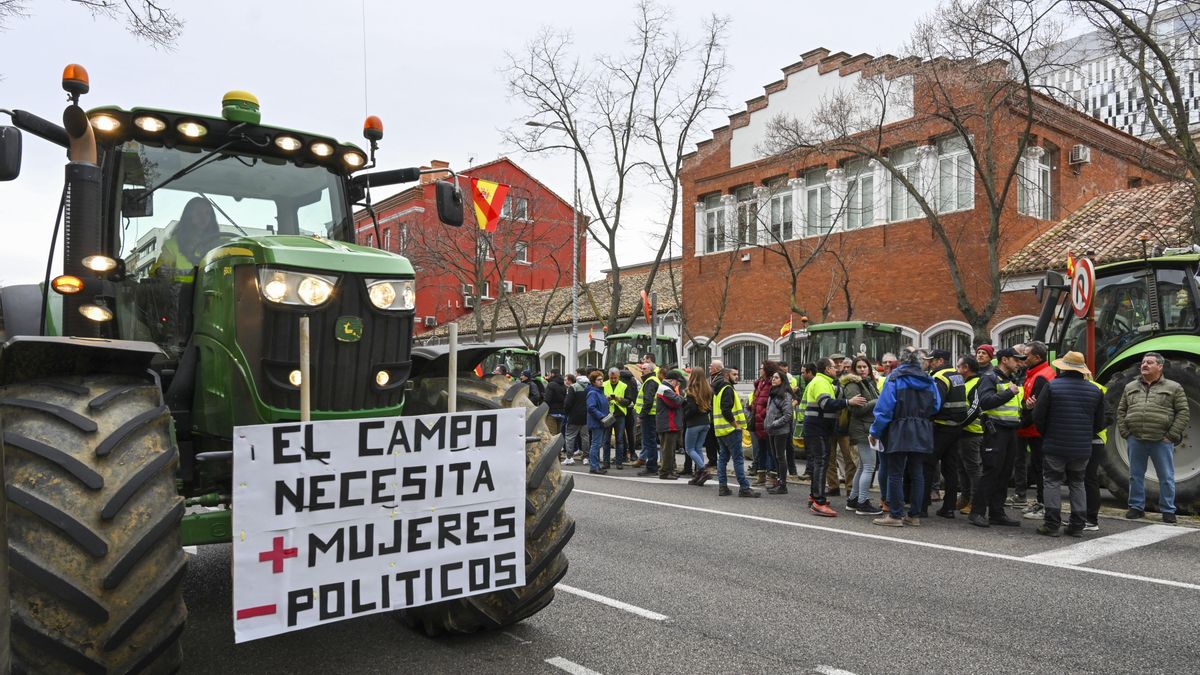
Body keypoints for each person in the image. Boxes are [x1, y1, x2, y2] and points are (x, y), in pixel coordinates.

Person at [1032, 351, 1107, 537]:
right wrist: (1085, 433)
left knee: (1052, 481)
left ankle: (1051, 524)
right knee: (1078, 482)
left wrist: (1047, 433)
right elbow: (1100, 422)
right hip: (1082, 447)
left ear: (1063, 368)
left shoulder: (1052, 386)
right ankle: (1077, 525)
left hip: (1055, 444)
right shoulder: (1095, 390)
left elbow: (1038, 416)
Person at [869, 348, 940, 527]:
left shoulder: (895, 378)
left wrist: (875, 431)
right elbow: (936, 406)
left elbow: (884, 408)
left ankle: (896, 515)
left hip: (899, 427)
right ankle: (914, 515)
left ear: (901, 361)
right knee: (917, 473)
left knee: (895, 473)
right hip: (922, 428)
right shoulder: (929, 380)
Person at [1117, 352, 1189, 523]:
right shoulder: (1130, 386)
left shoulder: (1174, 387)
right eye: (1143, 362)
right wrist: (1126, 433)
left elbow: (1183, 412)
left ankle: (1168, 510)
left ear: (1160, 367)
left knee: (1166, 477)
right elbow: (1121, 411)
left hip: (1161, 440)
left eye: (1150, 362)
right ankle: (1136, 507)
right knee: (1135, 475)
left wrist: (1171, 435)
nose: (1145, 365)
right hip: (1136, 439)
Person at [971, 347, 1024, 528]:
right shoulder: (989, 378)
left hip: (1010, 431)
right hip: (995, 431)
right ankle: (977, 512)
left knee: (1004, 473)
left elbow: (1013, 407)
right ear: (1004, 360)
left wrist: (1027, 406)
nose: (1019, 363)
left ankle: (997, 512)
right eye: (1016, 359)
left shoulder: (1012, 379)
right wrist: (1009, 392)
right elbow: (985, 402)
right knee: (991, 471)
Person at [804, 358, 863, 516]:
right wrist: (848, 402)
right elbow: (826, 403)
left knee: (820, 462)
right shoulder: (821, 382)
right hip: (818, 428)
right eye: (833, 366)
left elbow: (836, 393)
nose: (836, 369)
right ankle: (819, 503)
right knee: (821, 462)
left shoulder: (825, 382)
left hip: (819, 428)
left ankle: (814, 496)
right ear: (827, 369)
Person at [921, 349, 966, 518]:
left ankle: (922, 506)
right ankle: (948, 508)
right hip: (956, 427)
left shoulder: (940, 377)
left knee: (927, 465)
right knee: (950, 468)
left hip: (941, 427)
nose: (930, 363)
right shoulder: (956, 375)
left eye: (932, 360)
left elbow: (935, 404)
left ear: (940, 361)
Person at [1016, 341, 1053, 519]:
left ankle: (1044, 505)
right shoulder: (1036, 374)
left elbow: (1037, 408)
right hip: (1033, 429)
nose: (1023, 358)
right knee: (1039, 468)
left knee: (1040, 469)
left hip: (1036, 431)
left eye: (1026, 355)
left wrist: (1020, 424)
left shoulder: (1041, 377)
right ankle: (1041, 502)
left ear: (1037, 357)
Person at [842, 356, 881, 514]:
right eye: (859, 367)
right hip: (862, 429)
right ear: (854, 369)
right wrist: (877, 402)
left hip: (867, 427)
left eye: (865, 366)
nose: (862, 369)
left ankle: (853, 500)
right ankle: (862, 503)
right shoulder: (853, 384)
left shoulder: (868, 382)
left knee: (863, 466)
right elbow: (856, 410)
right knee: (869, 466)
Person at [152, 196, 223, 282]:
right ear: (188, 216)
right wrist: (160, 271)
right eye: (198, 212)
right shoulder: (172, 245)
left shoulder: (219, 246)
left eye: (208, 213)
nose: (203, 217)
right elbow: (157, 271)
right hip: (181, 290)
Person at [713, 367, 759, 497]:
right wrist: (736, 425)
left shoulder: (718, 389)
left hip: (721, 430)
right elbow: (726, 410)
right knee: (738, 460)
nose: (737, 376)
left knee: (723, 459)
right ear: (726, 375)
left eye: (737, 374)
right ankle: (744, 488)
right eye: (734, 374)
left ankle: (723, 487)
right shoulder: (727, 389)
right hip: (731, 430)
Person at [954, 356, 986, 516]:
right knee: (962, 468)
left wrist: (959, 423)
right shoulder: (965, 383)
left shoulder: (977, 383)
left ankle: (975, 501)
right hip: (963, 432)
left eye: (958, 366)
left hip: (972, 432)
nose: (956, 369)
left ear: (966, 368)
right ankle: (965, 497)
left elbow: (975, 408)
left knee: (973, 469)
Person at [763, 371, 795, 495]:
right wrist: (767, 424)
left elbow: (788, 414)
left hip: (781, 431)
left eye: (776, 378)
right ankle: (779, 481)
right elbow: (769, 411)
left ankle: (783, 485)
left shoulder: (785, 395)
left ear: (782, 380)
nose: (773, 379)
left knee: (780, 457)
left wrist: (774, 423)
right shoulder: (773, 393)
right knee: (776, 456)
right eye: (773, 377)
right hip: (771, 430)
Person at [683, 369, 714, 486]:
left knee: (689, 449)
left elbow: (692, 409)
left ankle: (703, 470)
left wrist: (684, 416)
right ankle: (699, 475)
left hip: (694, 423)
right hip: (705, 422)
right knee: (698, 448)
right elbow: (710, 407)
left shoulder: (691, 390)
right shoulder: (708, 389)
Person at [751, 362, 780, 486]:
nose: (760, 370)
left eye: (762, 368)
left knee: (771, 450)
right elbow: (756, 400)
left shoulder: (771, 384)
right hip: (758, 423)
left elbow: (771, 404)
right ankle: (761, 475)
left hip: (766, 422)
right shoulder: (760, 383)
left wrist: (762, 414)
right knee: (761, 450)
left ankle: (772, 476)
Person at [655, 370, 686, 480]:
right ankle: (665, 472)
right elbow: (676, 402)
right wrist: (682, 397)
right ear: (672, 381)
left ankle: (670, 470)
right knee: (667, 450)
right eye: (677, 382)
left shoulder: (667, 388)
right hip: (668, 424)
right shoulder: (664, 389)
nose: (678, 384)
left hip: (669, 423)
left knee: (670, 449)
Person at [601, 367, 630, 469]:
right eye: (611, 378)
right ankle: (606, 462)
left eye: (615, 378)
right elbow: (599, 399)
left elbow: (628, 401)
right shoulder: (604, 384)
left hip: (619, 415)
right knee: (606, 440)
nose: (613, 380)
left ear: (619, 376)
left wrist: (619, 399)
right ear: (608, 376)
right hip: (607, 415)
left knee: (619, 440)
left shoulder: (624, 386)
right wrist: (606, 399)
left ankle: (619, 462)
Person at [636, 364, 662, 476]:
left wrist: (642, 415)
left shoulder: (650, 381)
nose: (642, 370)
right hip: (651, 415)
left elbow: (648, 400)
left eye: (644, 369)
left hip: (649, 415)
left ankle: (651, 466)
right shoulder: (652, 380)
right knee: (650, 441)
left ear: (650, 370)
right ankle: (652, 465)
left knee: (649, 441)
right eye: (642, 368)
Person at [584, 370, 610, 475]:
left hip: (601, 422)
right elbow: (591, 407)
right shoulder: (593, 393)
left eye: (601, 379)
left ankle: (596, 466)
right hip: (597, 422)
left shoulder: (599, 392)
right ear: (593, 381)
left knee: (597, 444)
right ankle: (594, 467)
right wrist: (602, 416)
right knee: (595, 445)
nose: (601, 381)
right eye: (599, 380)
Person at [562, 374, 589, 466]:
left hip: (574, 416)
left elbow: (568, 403)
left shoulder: (573, 387)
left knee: (570, 437)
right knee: (585, 437)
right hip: (586, 416)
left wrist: (567, 412)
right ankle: (585, 457)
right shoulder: (589, 387)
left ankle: (569, 458)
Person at [544, 370, 567, 436]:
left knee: (552, 434)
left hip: (552, 412)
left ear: (553, 374)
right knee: (559, 435)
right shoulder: (563, 385)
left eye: (549, 374)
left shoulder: (551, 385)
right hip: (562, 413)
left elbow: (547, 399)